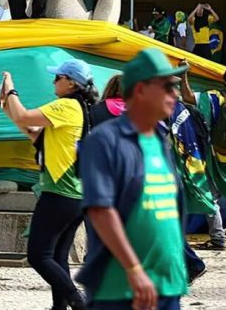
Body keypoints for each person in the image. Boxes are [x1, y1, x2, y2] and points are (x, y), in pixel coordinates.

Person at [77, 48, 189, 309]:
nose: (175, 95)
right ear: (140, 90)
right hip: (121, 288)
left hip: (168, 283)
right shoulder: (104, 141)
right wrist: (134, 269)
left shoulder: (160, 141)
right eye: (167, 86)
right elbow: (100, 210)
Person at [0, 59, 98, 310]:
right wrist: (6, 106)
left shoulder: (66, 106)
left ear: (71, 83)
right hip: (76, 194)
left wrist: (11, 89)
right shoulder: (78, 108)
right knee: (57, 256)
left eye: (57, 77)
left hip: (60, 193)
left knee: (38, 255)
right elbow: (31, 130)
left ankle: (78, 300)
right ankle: (60, 306)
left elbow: (23, 115)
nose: (53, 81)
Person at [190, 65, 226, 250]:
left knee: (212, 199)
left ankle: (218, 238)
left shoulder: (211, 97)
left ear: (223, 78)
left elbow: (188, 97)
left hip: (216, 155)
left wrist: (183, 75)